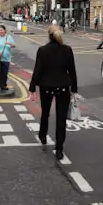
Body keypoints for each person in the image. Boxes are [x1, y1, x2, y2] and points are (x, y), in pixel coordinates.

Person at [29, 25, 77, 160]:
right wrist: (74, 89)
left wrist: (32, 87)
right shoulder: (67, 50)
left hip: (46, 86)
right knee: (61, 118)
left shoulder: (43, 50)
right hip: (62, 86)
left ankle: (43, 135)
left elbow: (38, 70)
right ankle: (59, 148)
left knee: (45, 112)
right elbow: (72, 70)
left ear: (49, 35)